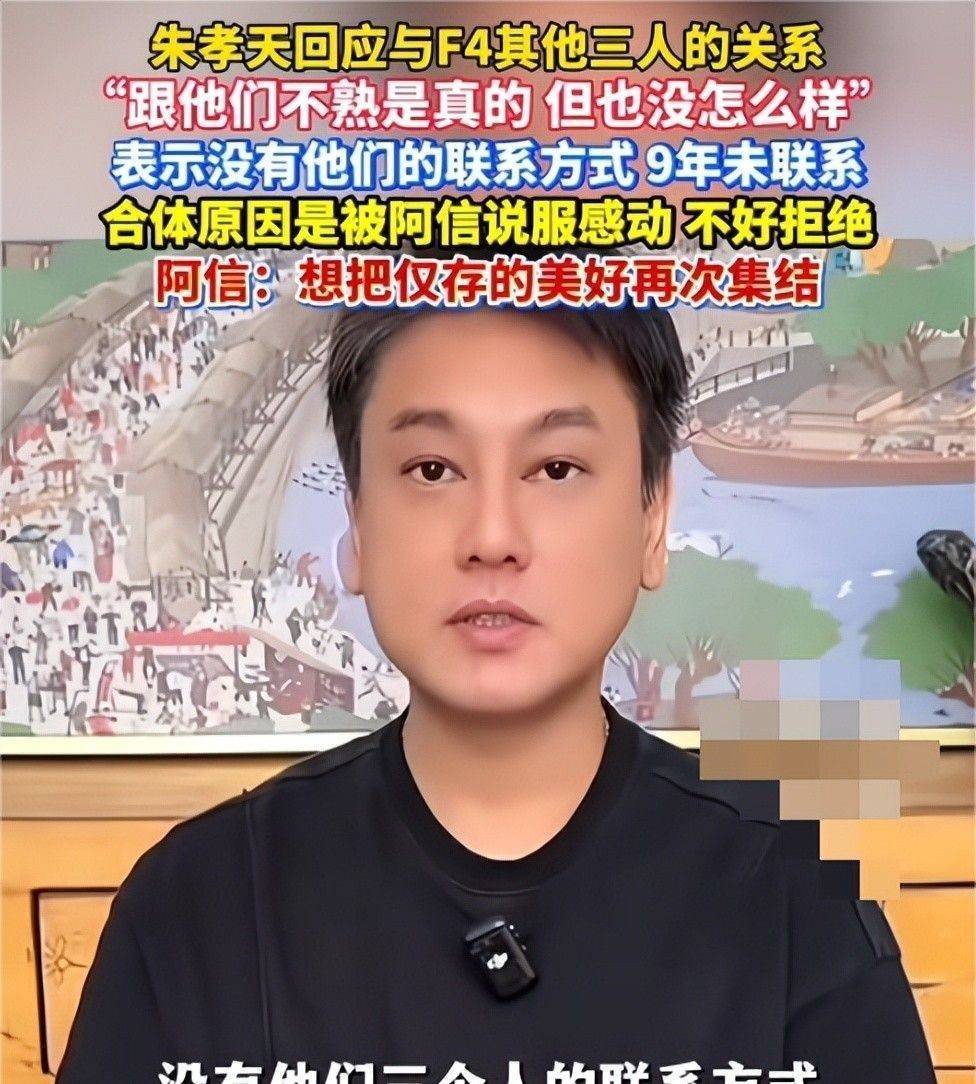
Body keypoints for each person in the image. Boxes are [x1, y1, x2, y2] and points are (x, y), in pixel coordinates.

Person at [57, 245, 936, 1083]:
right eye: (433, 469)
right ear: (357, 522)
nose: (491, 537)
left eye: (555, 468)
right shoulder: (197, 908)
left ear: (653, 518)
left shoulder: (796, 908)